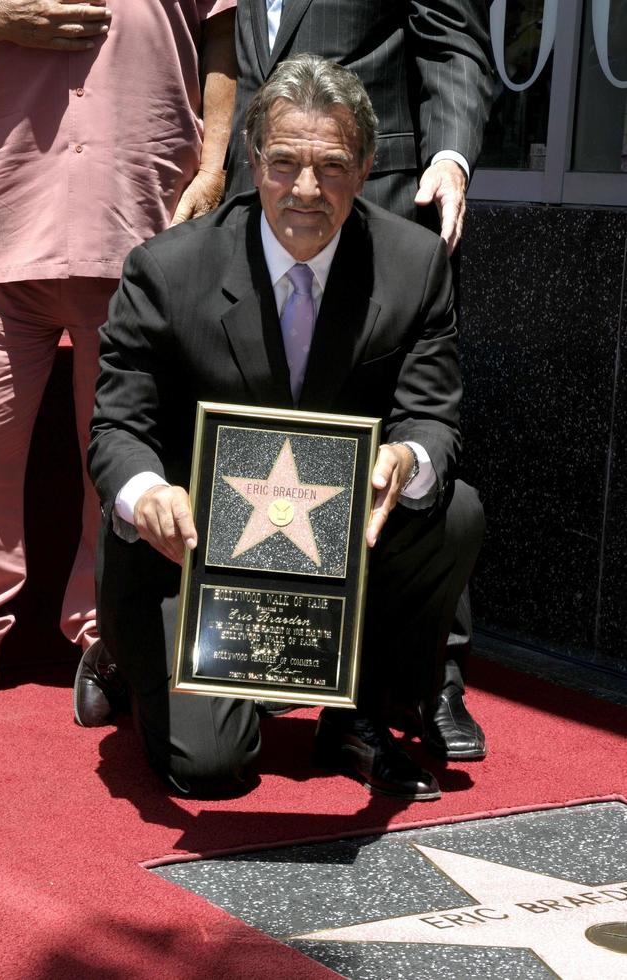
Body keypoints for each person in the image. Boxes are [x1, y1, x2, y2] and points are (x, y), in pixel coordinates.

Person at [80, 54, 485, 799]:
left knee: (452, 508)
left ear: (365, 168)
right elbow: (117, 430)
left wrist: (406, 457)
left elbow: (433, 415)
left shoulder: (414, 264)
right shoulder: (166, 272)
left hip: (335, 535)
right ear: (252, 162)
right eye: (284, 163)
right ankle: (129, 657)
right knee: (211, 769)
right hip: (194, 552)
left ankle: (360, 711)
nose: (306, 190)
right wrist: (148, 496)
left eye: (331, 167)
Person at [225, 0, 494, 760]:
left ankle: (430, 676)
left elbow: (452, 40)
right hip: (262, 204)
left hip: (381, 200)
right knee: (262, 422)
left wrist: (451, 155)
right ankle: (266, 651)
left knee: (411, 445)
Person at [0, 0, 237, 704]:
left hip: (141, 202)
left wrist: (215, 164)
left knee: (122, 446)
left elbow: (221, 30)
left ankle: (107, 634)